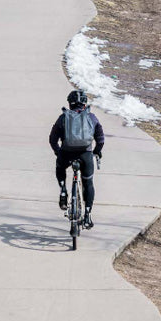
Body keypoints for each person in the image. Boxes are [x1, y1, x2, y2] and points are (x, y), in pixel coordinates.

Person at [49, 90, 104, 229]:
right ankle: (87, 214)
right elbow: (100, 139)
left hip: (67, 154)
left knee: (60, 168)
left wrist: (58, 152)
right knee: (88, 183)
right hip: (85, 155)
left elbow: (52, 139)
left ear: (69, 103)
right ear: (85, 104)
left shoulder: (63, 118)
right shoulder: (91, 117)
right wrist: (97, 151)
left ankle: (63, 190)